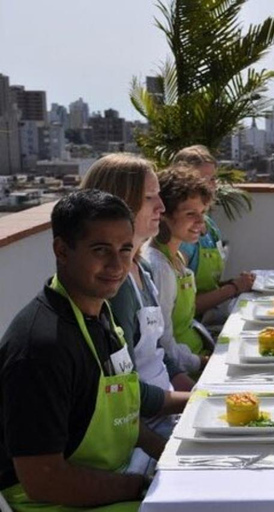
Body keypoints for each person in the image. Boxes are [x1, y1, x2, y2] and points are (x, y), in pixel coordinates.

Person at [0, 190, 165, 510]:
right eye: (101, 250)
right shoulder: (40, 348)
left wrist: (171, 455)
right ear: (62, 250)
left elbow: (125, 418)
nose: (117, 264)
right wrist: (139, 486)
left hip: (114, 479)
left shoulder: (101, 315)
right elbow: (43, 480)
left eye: (125, 249)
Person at [81, 154, 193, 437]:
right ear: (119, 203)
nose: (162, 206)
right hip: (147, 428)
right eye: (150, 198)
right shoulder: (114, 289)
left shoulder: (142, 267)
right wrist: (196, 401)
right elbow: (125, 392)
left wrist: (191, 389)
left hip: (167, 410)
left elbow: (157, 352)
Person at [173, 145, 254, 326]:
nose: (212, 186)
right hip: (190, 328)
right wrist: (234, 288)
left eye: (213, 179)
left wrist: (236, 283)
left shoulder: (210, 226)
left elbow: (208, 286)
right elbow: (183, 307)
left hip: (209, 320)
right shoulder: (181, 239)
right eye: (203, 180)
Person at [144, 166, 214, 374]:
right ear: (164, 214)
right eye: (190, 214)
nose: (201, 222)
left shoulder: (177, 257)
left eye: (202, 213)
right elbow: (164, 343)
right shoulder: (159, 267)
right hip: (186, 370)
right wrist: (201, 362)